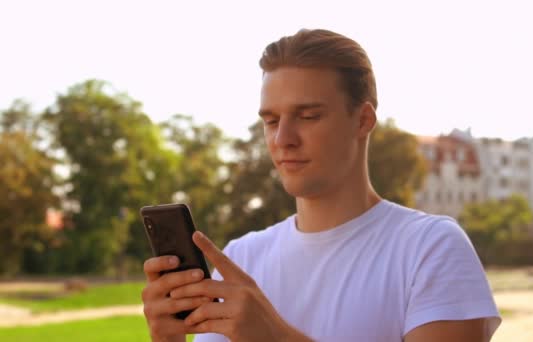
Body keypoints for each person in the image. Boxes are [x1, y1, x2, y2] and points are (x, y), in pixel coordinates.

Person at [141, 28, 501, 342]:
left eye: (308, 116)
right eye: (271, 120)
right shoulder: (240, 259)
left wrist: (276, 339)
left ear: (363, 120)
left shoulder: (429, 248)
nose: (283, 138)